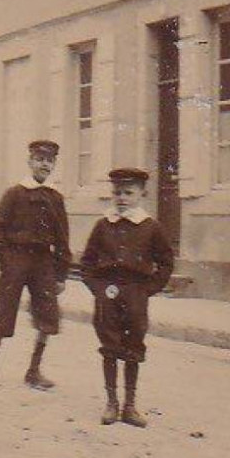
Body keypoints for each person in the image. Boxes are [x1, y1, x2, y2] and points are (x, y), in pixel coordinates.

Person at [79, 167, 176, 427]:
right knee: (109, 344)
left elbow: (166, 262)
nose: (121, 198)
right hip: (107, 293)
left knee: (133, 345)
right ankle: (111, 402)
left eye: (128, 193)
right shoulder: (103, 225)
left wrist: (148, 289)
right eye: (117, 192)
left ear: (141, 194)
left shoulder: (150, 227)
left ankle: (130, 405)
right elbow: (86, 261)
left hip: (135, 293)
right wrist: (97, 288)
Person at [0, 139, 71, 391]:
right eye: (40, 159)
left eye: (49, 161)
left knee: (47, 315)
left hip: (43, 263)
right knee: (3, 313)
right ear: (30, 161)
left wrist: (60, 274)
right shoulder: (14, 194)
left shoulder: (55, 198)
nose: (44, 164)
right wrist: (9, 262)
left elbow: (63, 238)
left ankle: (34, 370)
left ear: (53, 165)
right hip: (15, 260)